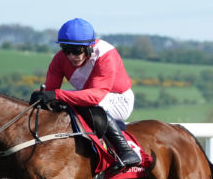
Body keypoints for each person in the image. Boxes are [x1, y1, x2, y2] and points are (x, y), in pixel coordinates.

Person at [29, 18, 141, 170]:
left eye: (77, 50)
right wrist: (40, 96)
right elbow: (50, 91)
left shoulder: (105, 54)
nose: (71, 56)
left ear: (90, 47)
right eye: (66, 50)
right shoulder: (59, 60)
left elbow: (95, 96)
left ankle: (126, 151)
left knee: (90, 105)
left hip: (118, 99)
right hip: (89, 96)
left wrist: (57, 95)